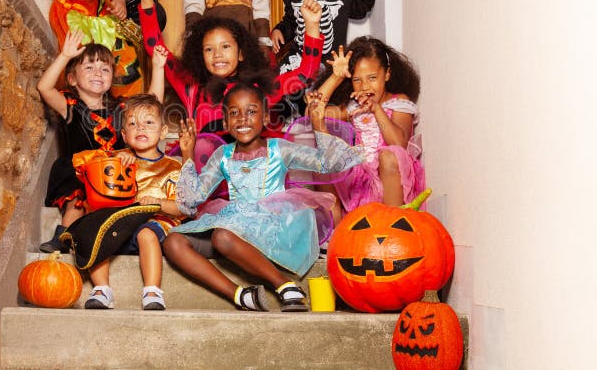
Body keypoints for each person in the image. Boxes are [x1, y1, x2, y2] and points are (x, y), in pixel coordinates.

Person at [162, 82, 364, 312]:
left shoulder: (280, 149)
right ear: (226, 122)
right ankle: (240, 296)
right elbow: (191, 202)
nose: (242, 119)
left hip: (274, 227)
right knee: (173, 242)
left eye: (251, 111)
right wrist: (188, 152)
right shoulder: (223, 155)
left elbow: (329, 163)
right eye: (235, 113)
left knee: (222, 237)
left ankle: (285, 286)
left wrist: (318, 122)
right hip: (235, 227)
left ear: (266, 117)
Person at [138, 0, 324, 135]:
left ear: (241, 53)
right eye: (209, 49)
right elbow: (155, 47)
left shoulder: (261, 89)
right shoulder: (191, 87)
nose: (217, 54)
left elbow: (305, 74)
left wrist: (312, 24)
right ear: (200, 56)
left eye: (225, 47)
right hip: (206, 171)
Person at [37, 30, 168, 253]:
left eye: (105, 69)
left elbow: (151, 104)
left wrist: (158, 67)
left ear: (111, 79)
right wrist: (65, 56)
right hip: (80, 171)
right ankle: (63, 236)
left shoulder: (121, 109)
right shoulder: (69, 106)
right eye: (89, 67)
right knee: (77, 198)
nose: (98, 72)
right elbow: (44, 88)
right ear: (72, 79)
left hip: (115, 172)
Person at [82, 94, 183, 311]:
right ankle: (102, 290)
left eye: (149, 122)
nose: (141, 128)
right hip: (121, 224)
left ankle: (152, 291)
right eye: (133, 124)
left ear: (163, 131)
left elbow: (180, 208)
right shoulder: (117, 157)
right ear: (125, 136)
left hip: (156, 222)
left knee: (146, 233)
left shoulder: (172, 167)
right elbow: (82, 167)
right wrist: (113, 163)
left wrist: (157, 202)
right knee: (97, 227)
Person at [310, 37, 424, 208]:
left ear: (387, 74)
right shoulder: (354, 108)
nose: (365, 86)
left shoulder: (398, 102)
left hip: (392, 178)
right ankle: (338, 229)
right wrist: (336, 77)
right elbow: (314, 112)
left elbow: (399, 143)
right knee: (322, 164)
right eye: (357, 80)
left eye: (372, 78)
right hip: (361, 182)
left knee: (388, 156)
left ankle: (393, 224)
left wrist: (377, 109)